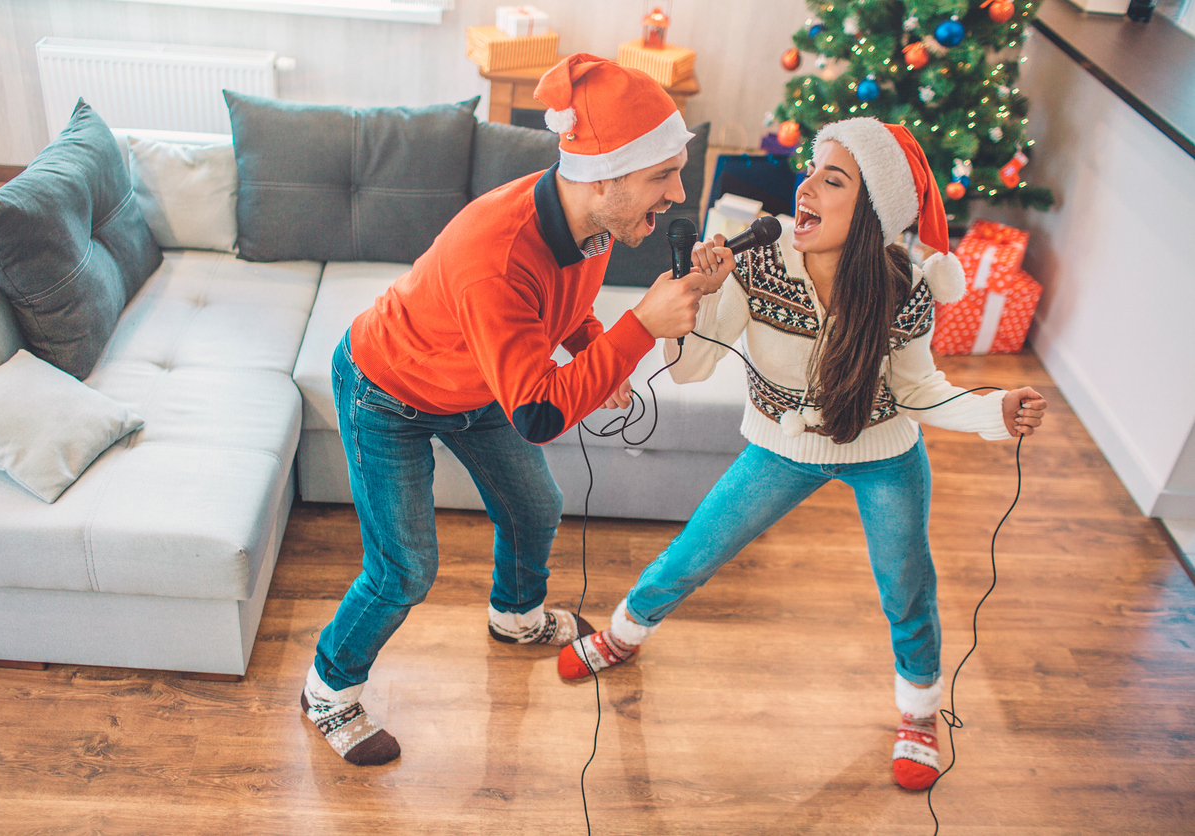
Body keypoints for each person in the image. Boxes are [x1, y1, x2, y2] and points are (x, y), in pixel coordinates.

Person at [557, 117, 1048, 791]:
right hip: (781, 447)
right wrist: (698, 295)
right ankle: (624, 632)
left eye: (832, 178)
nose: (805, 185)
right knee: (697, 549)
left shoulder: (905, 285)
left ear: (873, 208)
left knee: (907, 584)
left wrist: (994, 409)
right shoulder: (757, 260)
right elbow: (691, 372)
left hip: (884, 452)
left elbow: (918, 390)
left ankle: (919, 713)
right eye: (811, 170)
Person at [302, 54, 712, 766]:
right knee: (404, 570)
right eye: (662, 175)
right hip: (387, 389)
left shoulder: (598, 219)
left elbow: (565, 308)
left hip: (480, 381)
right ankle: (327, 690)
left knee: (535, 506)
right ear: (606, 175)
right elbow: (539, 416)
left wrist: (593, 343)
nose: (677, 193)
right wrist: (637, 328)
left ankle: (514, 617)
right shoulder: (498, 253)